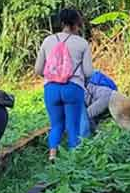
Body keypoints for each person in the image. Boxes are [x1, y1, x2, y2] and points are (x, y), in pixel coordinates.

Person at [35, 8, 95, 160]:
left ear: (61, 23)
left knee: (56, 125)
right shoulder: (82, 43)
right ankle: (73, 160)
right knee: (73, 126)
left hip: (51, 88)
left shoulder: (48, 41)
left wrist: (53, 76)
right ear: (77, 24)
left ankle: (52, 154)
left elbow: (38, 69)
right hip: (73, 88)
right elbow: (88, 72)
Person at [78, 71, 119, 139]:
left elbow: (108, 95)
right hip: (112, 99)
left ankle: (84, 145)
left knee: (84, 118)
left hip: (107, 98)